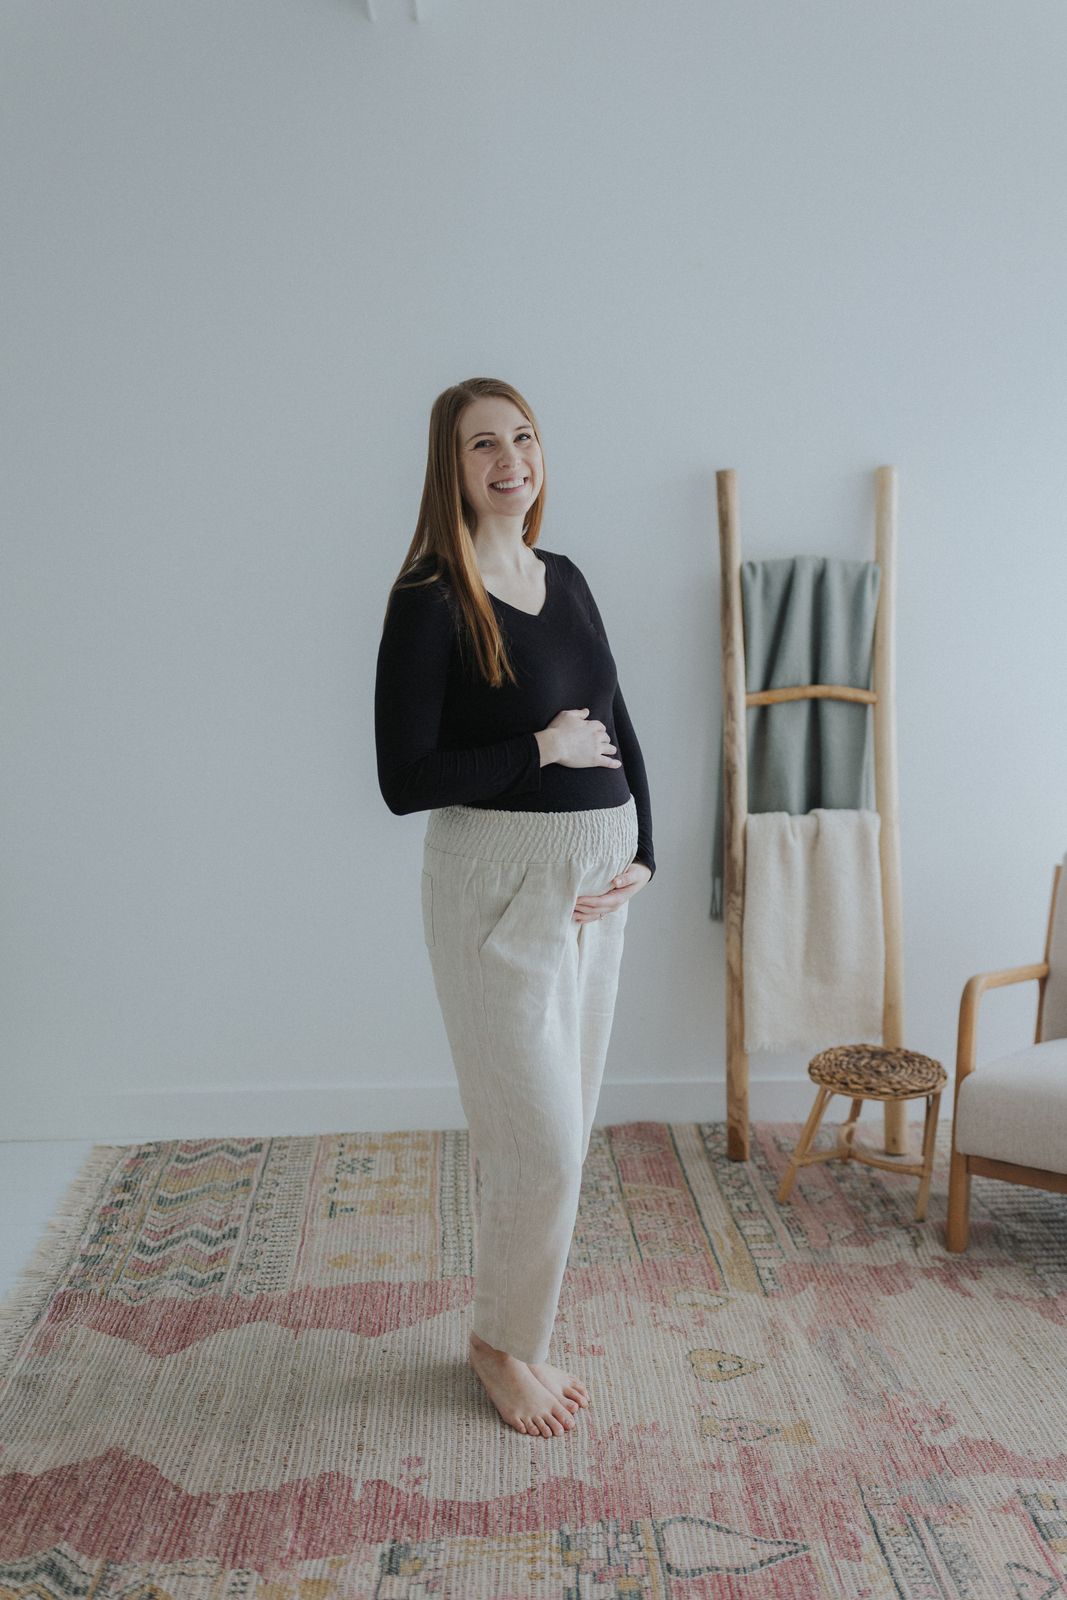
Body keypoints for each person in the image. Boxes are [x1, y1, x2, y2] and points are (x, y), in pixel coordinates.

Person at [374, 377, 654, 1438]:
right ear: (450, 467)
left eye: (522, 437)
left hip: (599, 887)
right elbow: (403, 777)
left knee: (562, 1131)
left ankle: (513, 1330)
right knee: (536, 1140)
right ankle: (498, 1345)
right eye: (482, 444)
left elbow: (622, 721)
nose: (509, 460)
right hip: (496, 887)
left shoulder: (566, 576)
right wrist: (538, 748)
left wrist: (649, 856)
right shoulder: (429, 597)